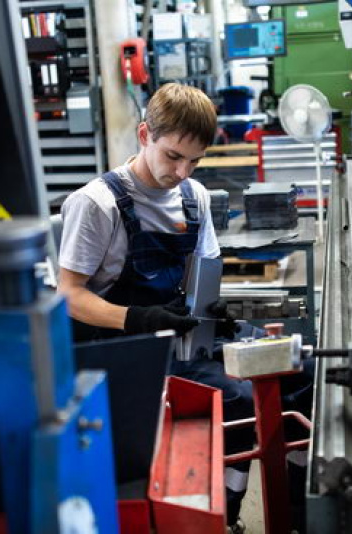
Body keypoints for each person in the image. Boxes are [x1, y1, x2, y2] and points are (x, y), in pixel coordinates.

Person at [57, 83, 253, 531]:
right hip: (117, 349)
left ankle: (232, 511)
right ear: (145, 135)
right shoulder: (97, 204)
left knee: (282, 375)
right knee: (237, 398)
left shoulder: (194, 198)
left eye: (195, 161)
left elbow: (200, 273)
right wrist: (137, 318)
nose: (182, 172)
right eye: (173, 156)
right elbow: (69, 295)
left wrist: (212, 309)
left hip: (175, 337)